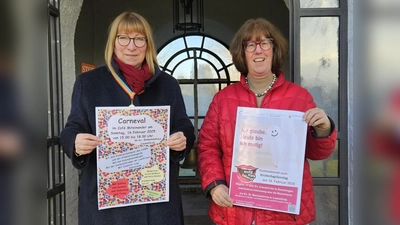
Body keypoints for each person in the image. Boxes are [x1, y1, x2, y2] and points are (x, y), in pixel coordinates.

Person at [197, 18, 337, 225]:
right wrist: (215, 184)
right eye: (250, 45)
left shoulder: (299, 96)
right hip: (236, 210)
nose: (258, 50)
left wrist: (324, 130)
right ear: (242, 52)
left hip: (285, 214)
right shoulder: (223, 99)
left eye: (265, 43)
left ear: (274, 48)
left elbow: (316, 153)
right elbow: (208, 147)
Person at [60, 11, 195, 225]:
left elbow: (184, 126)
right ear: (113, 43)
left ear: (147, 44)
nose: (131, 46)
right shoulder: (89, 83)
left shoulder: (168, 84)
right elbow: (71, 129)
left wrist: (181, 139)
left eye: (139, 39)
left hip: (157, 200)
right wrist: (75, 142)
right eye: (123, 38)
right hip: (106, 203)